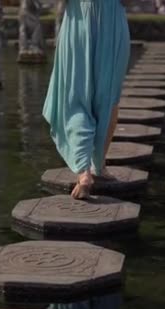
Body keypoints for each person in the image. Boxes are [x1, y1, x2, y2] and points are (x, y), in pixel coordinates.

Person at [43, 0, 130, 199]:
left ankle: (85, 172)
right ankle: (99, 165)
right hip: (112, 26)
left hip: (79, 24)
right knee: (108, 100)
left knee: (75, 98)